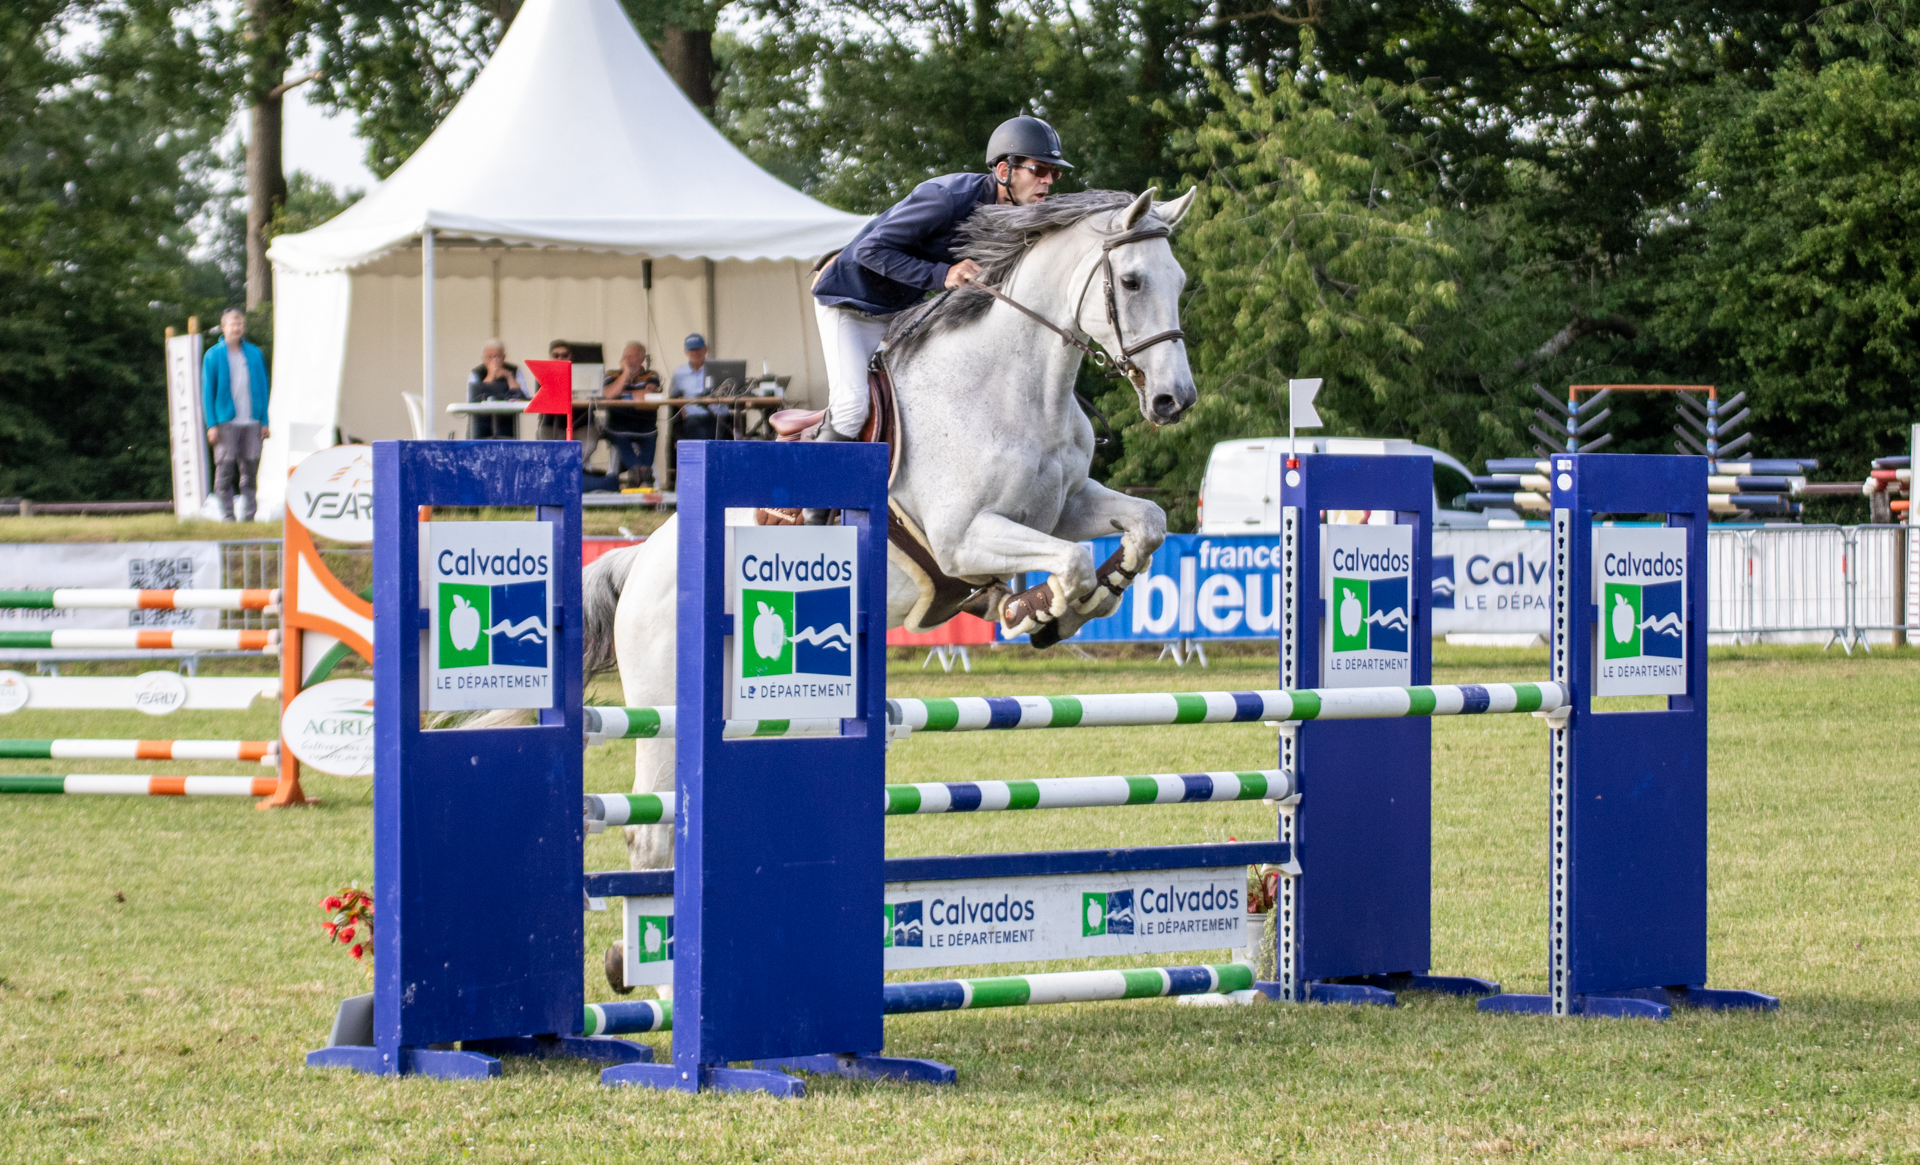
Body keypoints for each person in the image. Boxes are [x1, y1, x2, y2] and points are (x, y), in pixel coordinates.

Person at [810, 115, 1068, 439]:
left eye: (1054, 172)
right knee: (851, 408)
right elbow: (869, 250)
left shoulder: (1016, 216)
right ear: (1004, 170)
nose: (1049, 181)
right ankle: (817, 472)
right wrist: (943, 274)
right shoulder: (947, 197)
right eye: (1039, 170)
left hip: (902, 313)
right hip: (852, 305)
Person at [200, 307, 271, 521]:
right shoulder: (213, 355)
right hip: (225, 421)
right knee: (225, 470)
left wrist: (264, 421)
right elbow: (207, 392)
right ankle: (228, 516)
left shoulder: (254, 353)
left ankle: (249, 517)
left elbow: (263, 387)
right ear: (224, 327)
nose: (237, 328)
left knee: (250, 471)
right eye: (233, 324)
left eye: (240, 324)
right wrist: (211, 424)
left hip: (252, 420)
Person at [601, 341, 661, 484]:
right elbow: (608, 395)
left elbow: (647, 396)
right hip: (618, 424)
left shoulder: (652, 375)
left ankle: (638, 474)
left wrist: (621, 393)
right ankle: (643, 474)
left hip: (646, 425)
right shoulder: (612, 374)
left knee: (650, 437)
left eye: (632, 356)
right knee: (620, 438)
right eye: (625, 356)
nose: (627, 360)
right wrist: (626, 373)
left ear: (642, 359)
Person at [466, 339, 531, 439]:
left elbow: (522, 397)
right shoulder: (476, 373)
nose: (494, 361)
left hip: (507, 422)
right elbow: (472, 399)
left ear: (504, 357)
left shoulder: (514, 370)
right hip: (481, 423)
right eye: (489, 357)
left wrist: (509, 377)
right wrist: (490, 376)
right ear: (483, 359)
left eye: (497, 357)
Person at [670, 333, 727, 443]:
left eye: (698, 349)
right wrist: (684, 412)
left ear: (705, 349)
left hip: (716, 416)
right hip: (693, 417)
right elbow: (674, 396)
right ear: (686, 352)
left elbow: (730, 390)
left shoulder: (717, 368)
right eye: (692, 350)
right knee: (699, 435)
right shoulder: (679, 372)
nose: (695, 353)